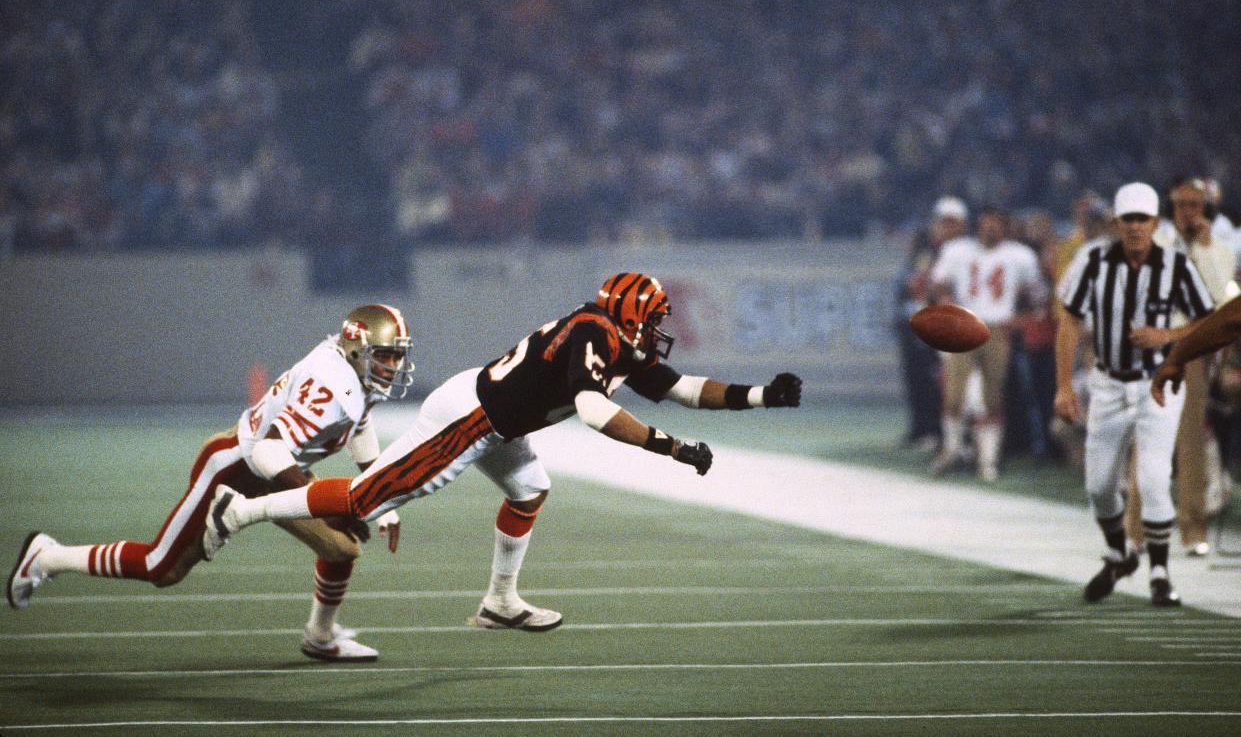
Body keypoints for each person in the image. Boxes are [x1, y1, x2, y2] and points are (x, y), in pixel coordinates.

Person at [200, 273, 803, 630]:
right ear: (626, 315)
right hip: (471, 418)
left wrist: (760, 397)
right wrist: (671, 450)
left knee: (530, 488)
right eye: (650, 320)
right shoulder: (594, 332)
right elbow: (593, 411)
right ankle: (240, 510)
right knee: (363, 498)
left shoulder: (617, 340)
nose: (655, 332)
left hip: (496, 420)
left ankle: (499, 602)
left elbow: (683, 389)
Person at [7, 305, 414, 661]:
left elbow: (359, 422)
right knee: (160, 568)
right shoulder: (333, 386)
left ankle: (320, 637)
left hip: (276, 472)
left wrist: (382, 496)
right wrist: (324, 503)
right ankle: (47, 557)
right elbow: (267, 453)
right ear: (359, 348)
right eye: (387, 356)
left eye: (397, 356)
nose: (393, 367)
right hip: (233, 469)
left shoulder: (349, 369)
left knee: (341, 547)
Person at [1054, 183, 1214, 607]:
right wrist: (1065, 385)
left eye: (1143, 219)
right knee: (1099, 486)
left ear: (1155, 223)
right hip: (1107, 383)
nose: (1136, 227)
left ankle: (1160, 575)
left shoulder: (1175, 264)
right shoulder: (1093, 260)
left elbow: (1208, 320)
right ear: (1116, 223)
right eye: (1129, 219)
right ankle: (1119, 554)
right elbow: (1069, 320)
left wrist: (1168, 334)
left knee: (1153, 478)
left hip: (1158, 382)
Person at [1127, 177, 1236, 556]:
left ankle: (1193, 529)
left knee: (1191, 441)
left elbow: (1214, 300)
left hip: (1194, 349)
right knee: (1149, 441)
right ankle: (1137, 531)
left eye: (1195, 204)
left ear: (1205, 208)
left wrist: (1202, 250)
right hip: (1156, 349)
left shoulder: (1219, 250)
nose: (1188, 211)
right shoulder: (1155, 244)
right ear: (1172, 209)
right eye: (1182, 204)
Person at [929, 207, 1047, 481]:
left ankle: (988, 460)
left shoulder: (1019, 256)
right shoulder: (957, 251)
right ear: (977, 226)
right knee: (955, 393)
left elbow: (1039, 295)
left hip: (997, 328)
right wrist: (945, 299)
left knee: (992, 397)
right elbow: (936, 284)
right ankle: (953, 448)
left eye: (996, 224)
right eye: (986, 224)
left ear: (1004, 228)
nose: (990, 229)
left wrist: (1020, 319)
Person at [895, 196, 969, 452]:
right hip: (927, 322)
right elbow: (914, 285)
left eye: (950, 223)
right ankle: (928, 429)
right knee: (926, 380)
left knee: (955, 383)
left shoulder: (967, 251)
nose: (943, 228)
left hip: (956, 323)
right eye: (941, 222)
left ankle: (953, 435)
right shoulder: (927, 251)